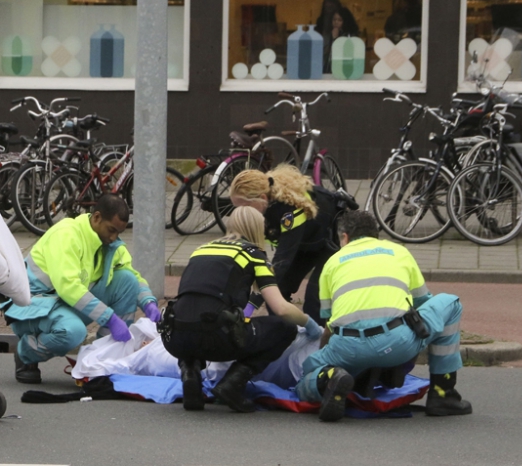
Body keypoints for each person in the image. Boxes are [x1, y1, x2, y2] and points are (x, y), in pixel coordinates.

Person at [296, 210, 472, 422]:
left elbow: (330, 324)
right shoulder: (399, 252)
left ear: (344, 237)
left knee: (306, 374)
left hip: (347, 346)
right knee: (450, 303)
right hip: (397, 343)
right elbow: (423, 303)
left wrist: (325, 361)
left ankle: (328, 380)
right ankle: (444, 395)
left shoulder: (332, 263)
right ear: (375, 234)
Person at [163, 206, 321, 412]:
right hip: (218, 338)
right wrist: (310, 324)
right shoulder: (253, 254)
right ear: (257, 229)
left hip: (175, 338)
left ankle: (190, 373)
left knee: (194, 316)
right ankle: (233, 384)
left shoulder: (201, 250)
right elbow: (281, 309)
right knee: (285, 327)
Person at [2, 193, 161, 384]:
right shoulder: (67, 234)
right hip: (33, 307)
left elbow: (132, 275)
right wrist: (109, 318)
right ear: (96, 217)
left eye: (118, 233)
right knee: (73, 333)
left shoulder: (108, 243)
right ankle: (26, 353)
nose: (113, 237)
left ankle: (104, 358)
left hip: (63, 303)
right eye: (111, 230)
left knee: (127, 281)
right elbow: (68, 287)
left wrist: (148, 302)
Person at [228, 164, 338, 323]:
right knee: (276, 294)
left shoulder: (289, 212)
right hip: (303, 243)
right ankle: (284, 336)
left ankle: (318, 343)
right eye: (236, 208)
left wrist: (251, 306)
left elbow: (281, 262)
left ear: (263, 198)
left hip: (328, 243)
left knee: (315, 300)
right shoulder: (259, 208)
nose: (241, 213)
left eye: (245, 206)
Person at [315, 0, 359, 74]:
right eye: (334, 20)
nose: (336, 22)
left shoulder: (349, 36)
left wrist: (335, 39)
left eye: (339, 20)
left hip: (342, 71)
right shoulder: (322, 23)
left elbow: (343, 55)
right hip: (326, 68)